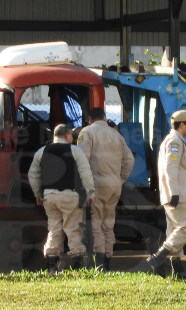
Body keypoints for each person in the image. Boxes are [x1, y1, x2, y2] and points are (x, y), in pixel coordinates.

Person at [28, 123, 95, 274]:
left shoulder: (41, 151)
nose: (73, 137)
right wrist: (90, 193)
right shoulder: (75, 150)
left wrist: (38, 194)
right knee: (73, 228)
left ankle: (52, 263)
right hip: (70, 196)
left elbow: (33, 174)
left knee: (54, 228)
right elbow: (85, 173)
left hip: (49, 196)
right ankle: (77, 264)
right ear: (66, 135)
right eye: (72, 135)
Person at [77, 107, 135, 271]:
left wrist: (85, 186)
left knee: (95, 224)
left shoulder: (86, 132)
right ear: (104, 117)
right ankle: (107, 259)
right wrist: (120, 179)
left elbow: (82, 161)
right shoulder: (117, 135)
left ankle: (100, 264)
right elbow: (129, 160)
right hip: (114, 186)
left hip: (96, 186)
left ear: (90, 120)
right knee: (108, 224)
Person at [145, 109, 186, 280]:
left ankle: (178, 270)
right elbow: (170, 168)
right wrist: (174, 192)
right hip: (177, 194)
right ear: (182, 125)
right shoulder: (175, 141)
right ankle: (158, 258)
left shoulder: (173, 140)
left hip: (172, 193)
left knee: (174, 230)